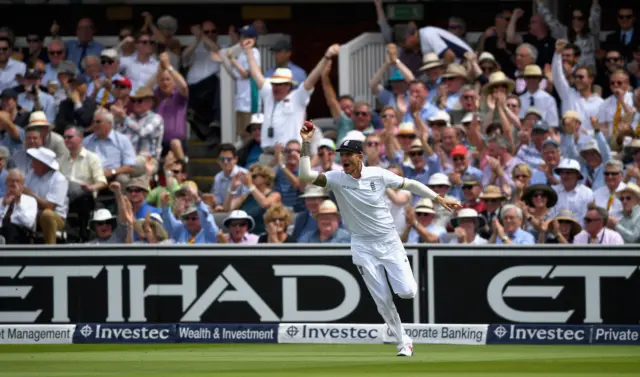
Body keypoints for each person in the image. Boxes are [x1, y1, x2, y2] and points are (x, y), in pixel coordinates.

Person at [297, 120, 460, 357]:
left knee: (407, 292)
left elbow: (410, 183)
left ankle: (403, 328)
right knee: (382, 299)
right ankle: (403, 341)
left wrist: (438, 198)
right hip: (362, 244)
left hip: (389, 241)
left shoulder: (378, 174)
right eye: (341, 155)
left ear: (360, 156)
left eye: (348, 155)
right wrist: (305, 143)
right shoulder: (336, 178)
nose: (344, 159)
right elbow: (304, 174)